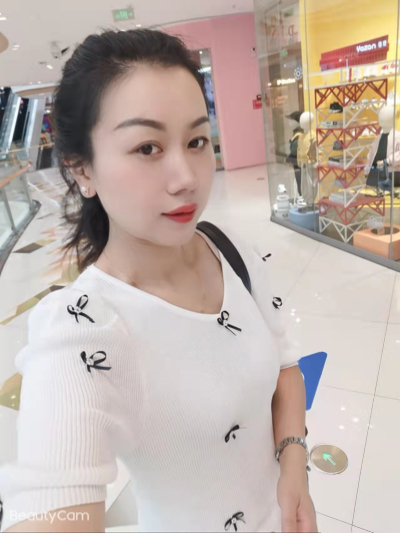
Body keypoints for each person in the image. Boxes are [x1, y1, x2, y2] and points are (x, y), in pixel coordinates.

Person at [0, 29, 317, 533]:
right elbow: (49, 500)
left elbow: (285, 367)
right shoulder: (81, 332)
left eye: (196, 141)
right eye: (147, 147)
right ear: (82, 170)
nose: (187, 177)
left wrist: (294, 461)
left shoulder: (230, 249)